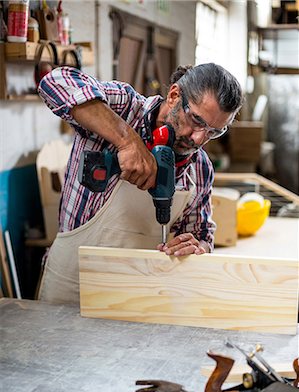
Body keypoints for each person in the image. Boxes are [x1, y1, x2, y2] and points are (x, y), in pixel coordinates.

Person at [37, 63, 243, 302]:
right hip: (72, 285)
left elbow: (201, 234)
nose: (199, 138)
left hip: (141, 296)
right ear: (174, 95)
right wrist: (127, 140)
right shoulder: (123, 107)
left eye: (213, 132)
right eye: (196, 120)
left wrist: (196, 247)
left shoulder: (200, 168)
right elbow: (55, 81)